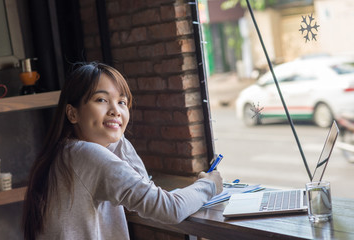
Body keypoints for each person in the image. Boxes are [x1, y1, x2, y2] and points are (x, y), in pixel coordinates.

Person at [22, 62, 223, 240]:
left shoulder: (64, 152)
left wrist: (115, 130)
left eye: (122, 102)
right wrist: (209, 184)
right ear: (72, 113)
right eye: (101, 100)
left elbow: (143, 183)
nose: (116, 110)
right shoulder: (86, 154)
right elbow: (169, 209)